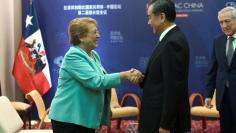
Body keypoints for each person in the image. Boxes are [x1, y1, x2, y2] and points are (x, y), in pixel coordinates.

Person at [48, 17, 141, 133]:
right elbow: (96, 81)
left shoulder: (94, 55)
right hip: (68, 119)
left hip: (84, 117)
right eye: (94, 32)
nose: (98, 35)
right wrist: (125, 75)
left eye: (98, 31)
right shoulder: (73, 55)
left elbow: (101, 80)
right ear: (81, 37)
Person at [137, 0, 191, 132]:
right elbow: (161, 77)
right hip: (155, 117)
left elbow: (173, 88)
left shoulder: (173, 43)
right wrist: (142, 77)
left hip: (161, 121)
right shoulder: (169, 39)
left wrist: (165, 124)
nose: (148, 22)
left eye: (149, 17)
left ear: (161, 17)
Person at [204, 7, 236, 133]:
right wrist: (208, 94)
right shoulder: (218, 41)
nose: (224, 25)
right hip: (224, 96)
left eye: (227, 21)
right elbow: (212, 70)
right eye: (221, 22)